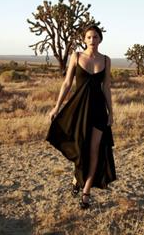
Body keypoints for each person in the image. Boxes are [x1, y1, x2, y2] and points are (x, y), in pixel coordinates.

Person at [46, 24, 117, 209]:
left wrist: (111, 112)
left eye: (95, 37)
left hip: (98, 111)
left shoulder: (106, 60)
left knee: (94, 150)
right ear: (84, 40)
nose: (92, 40)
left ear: (100, 39)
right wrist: (56, 107)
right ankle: (77, 178)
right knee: (81, 148)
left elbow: (106, 88)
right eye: (89, 37)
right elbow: (67, 83)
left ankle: (86, 192)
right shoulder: (76, 56)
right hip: (79, 109)